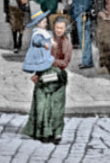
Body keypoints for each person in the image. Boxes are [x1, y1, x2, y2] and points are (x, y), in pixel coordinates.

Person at [23, 8, 66, 144]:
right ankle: (44, 131)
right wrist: (46, 44)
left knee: (48, 100)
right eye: (42, 21)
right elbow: (38, 41)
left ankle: (49, 131)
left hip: (48, 67)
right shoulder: (37, 34)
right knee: (43, 101)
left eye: (45, 20)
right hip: (44, 67)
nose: (45, 22)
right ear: (37, 23)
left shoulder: (46, 33)